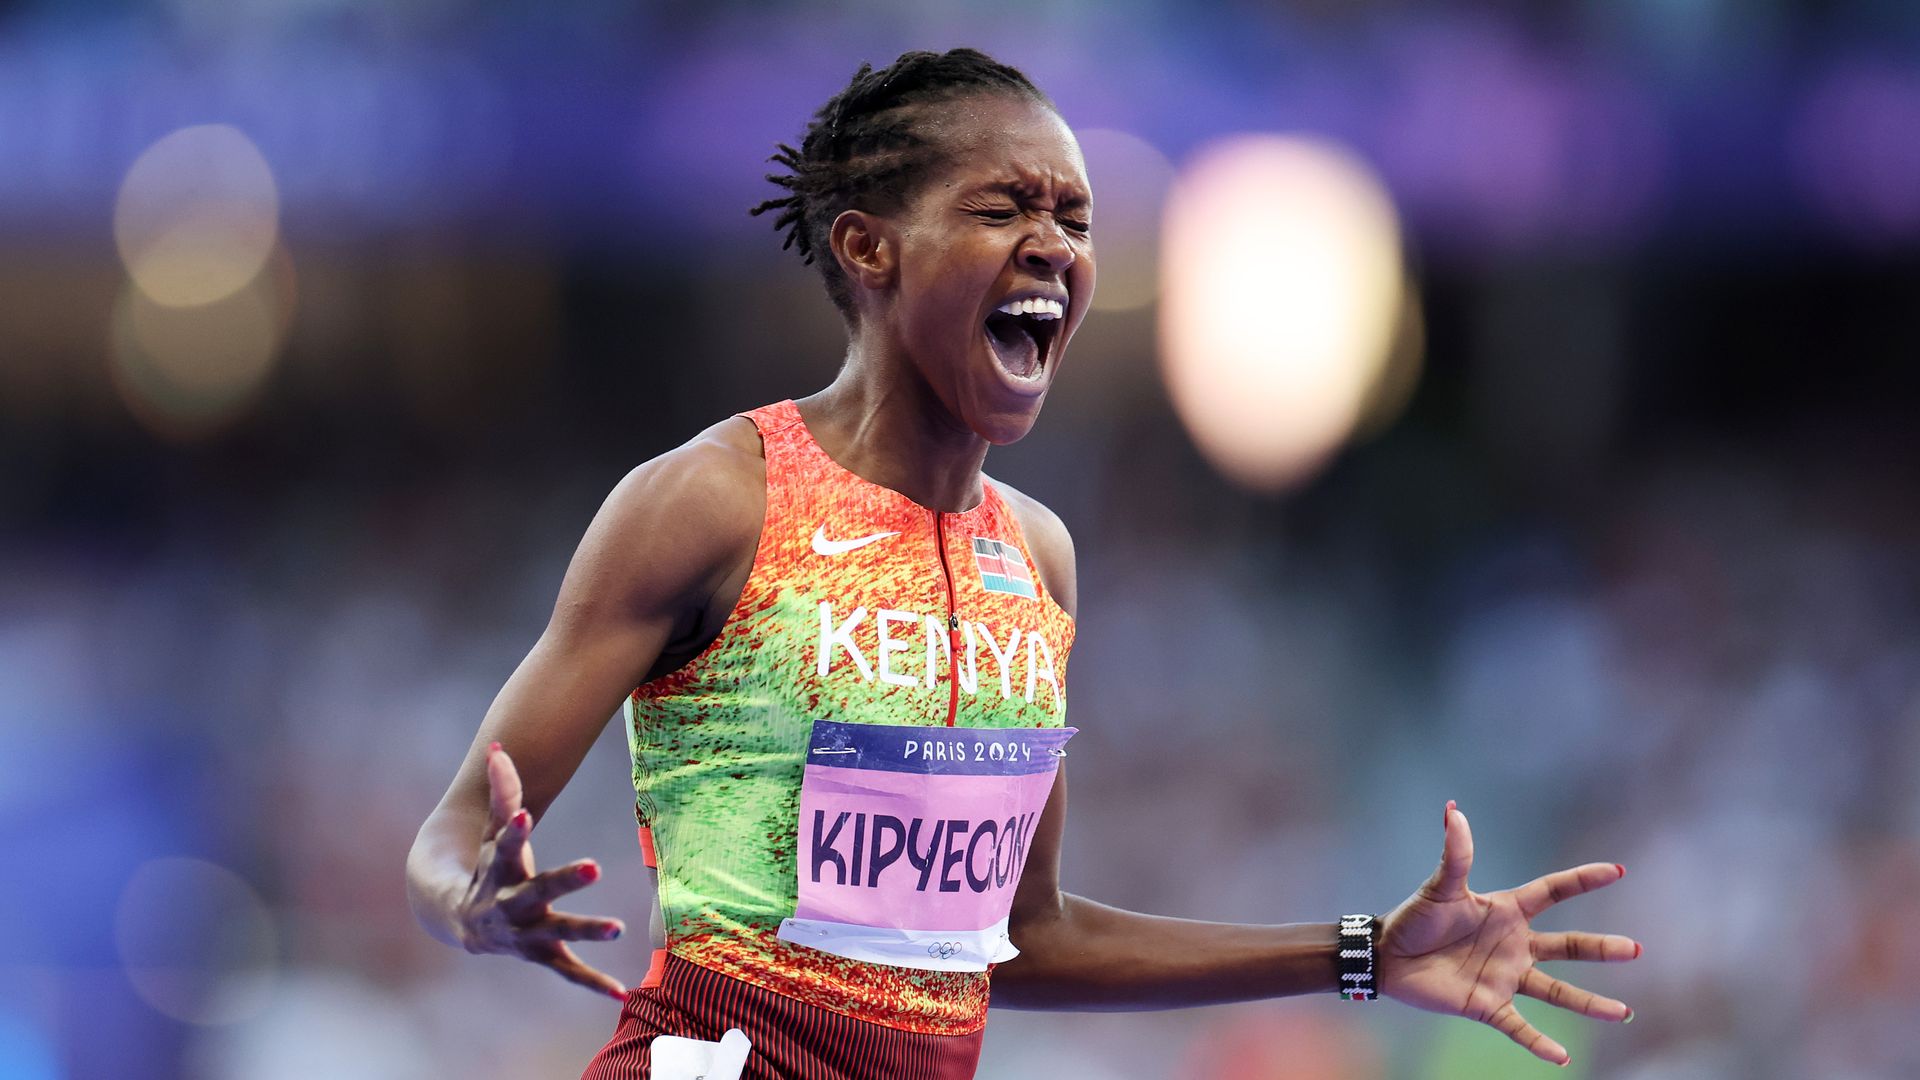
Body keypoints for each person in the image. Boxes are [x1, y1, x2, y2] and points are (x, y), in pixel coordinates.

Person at [405, 48, 1639, 1079]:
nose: (1054, 244)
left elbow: (1019, 939)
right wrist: (474, 901)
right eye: (1005, 208)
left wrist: (1363, 951)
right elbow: (452, 835)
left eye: (1077, 218)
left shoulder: (1036, 558)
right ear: (869, 248)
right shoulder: (716, 499)